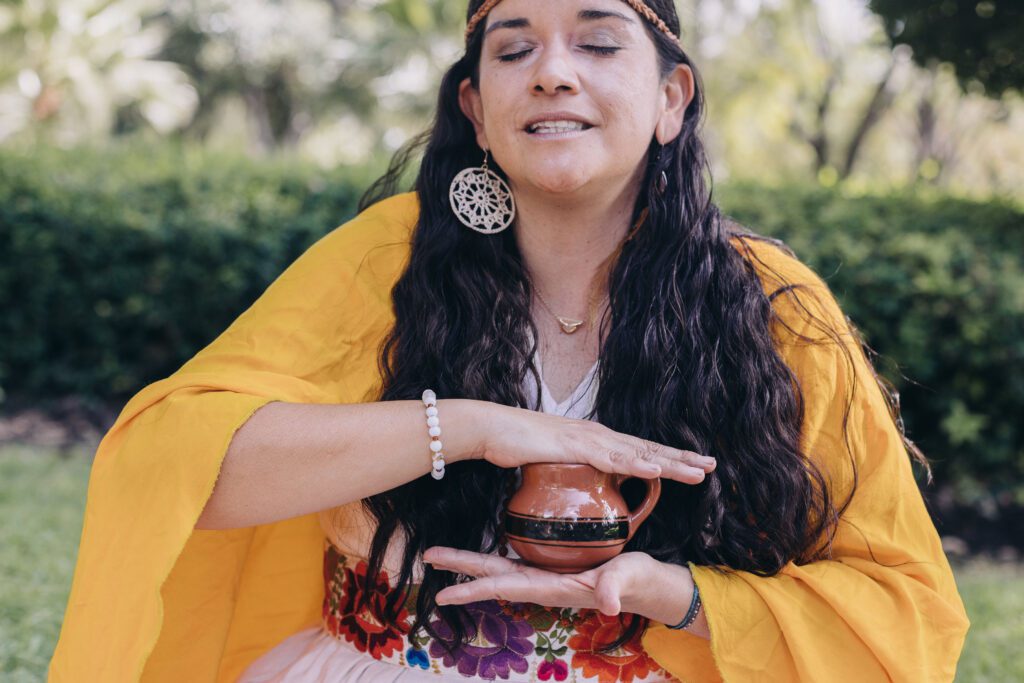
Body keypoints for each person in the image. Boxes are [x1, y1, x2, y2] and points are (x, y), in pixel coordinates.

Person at [49, 0, 970, 681]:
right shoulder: (388, 261)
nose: (553, 71)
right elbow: (180, 469)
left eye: (599, 42)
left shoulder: (767, 301)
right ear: (478, 111)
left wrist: (671, 594)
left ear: (671, 98)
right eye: (514, 47)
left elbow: (908, 609)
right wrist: (474, 426)